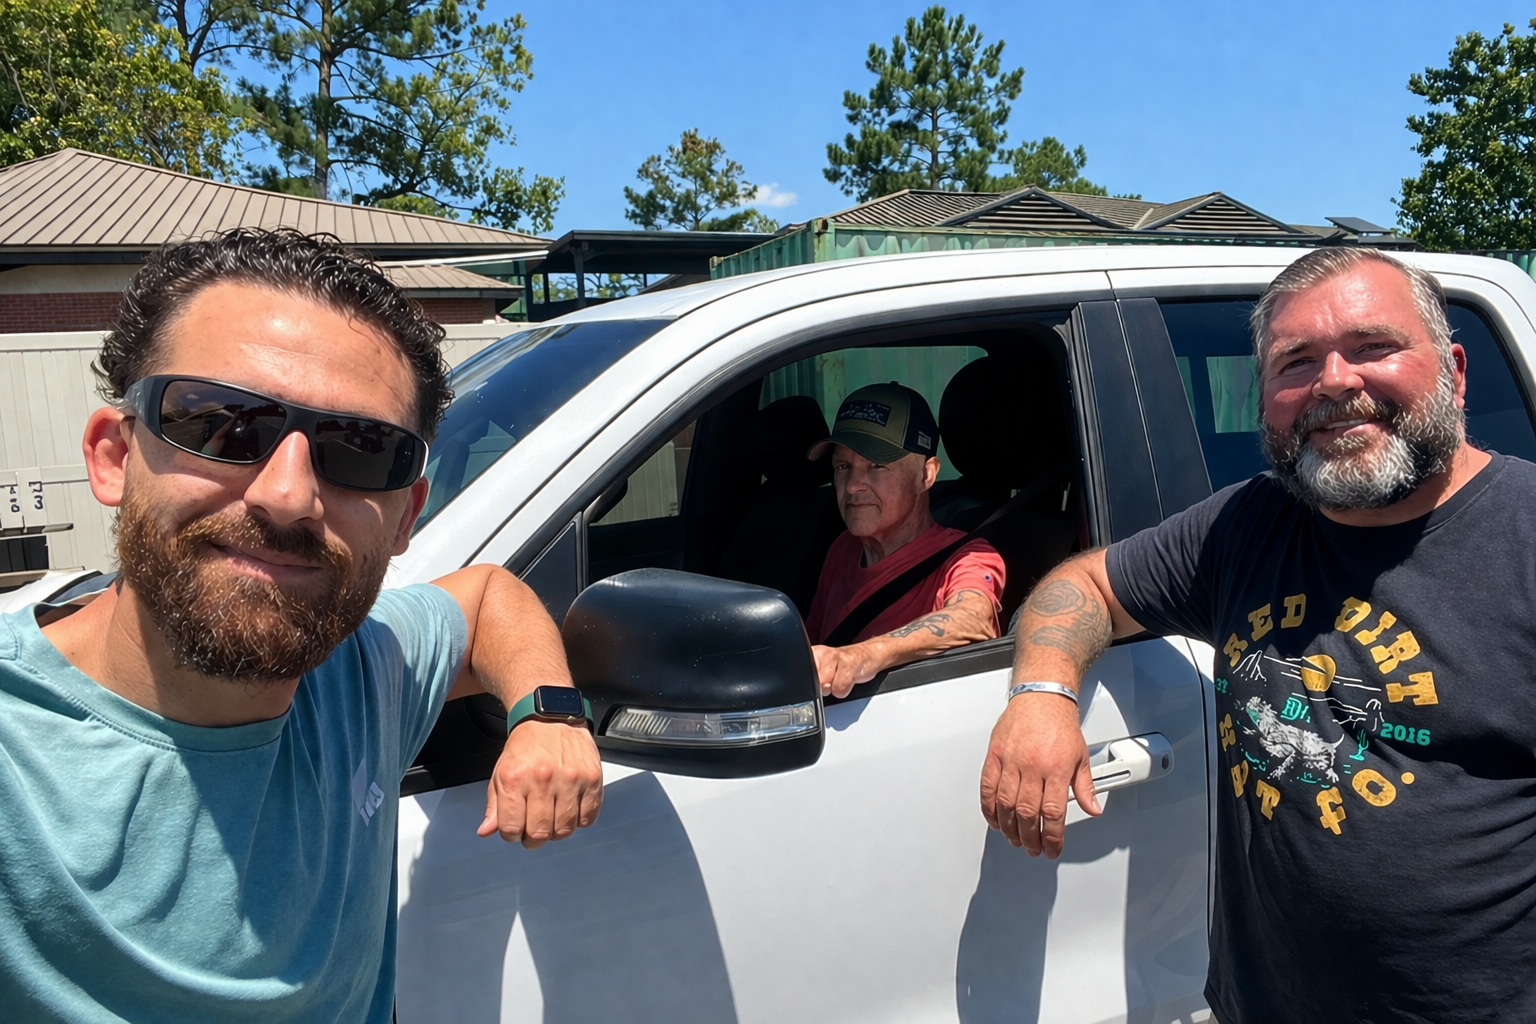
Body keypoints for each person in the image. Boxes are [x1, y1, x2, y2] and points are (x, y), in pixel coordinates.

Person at [0, 229, 604, 1022]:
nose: (288, 495)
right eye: (222, 423)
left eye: (360, 451)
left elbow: (489, 595)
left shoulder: (361, 672)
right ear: (114, 455)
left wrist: (548, 711)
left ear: (404, 517)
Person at [979, 245, 1536, 1023]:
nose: (1334, 382)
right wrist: (1041, 694)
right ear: (1264, 397)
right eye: (1295, 362)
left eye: (1373, 346)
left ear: (1455, 371)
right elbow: (1087, 585)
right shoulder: (1248, 522)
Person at [804, 382, 1005, 698]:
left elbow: (972, 619)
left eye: (876, 465)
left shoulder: (969, 557)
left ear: (926, 475)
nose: (853, 485)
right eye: (843, 466)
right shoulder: (843, 548)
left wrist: (861, 656)